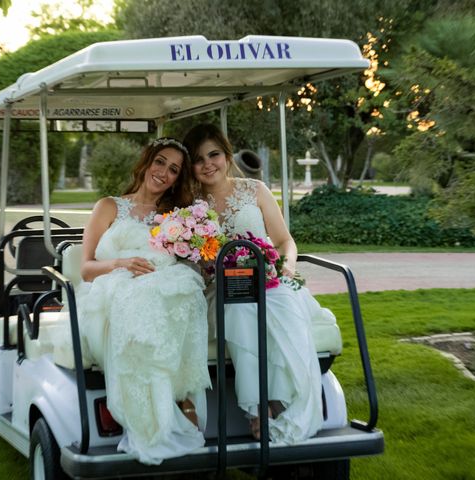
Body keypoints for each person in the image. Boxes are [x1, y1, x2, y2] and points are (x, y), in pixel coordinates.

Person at [183, 124, 324, 445]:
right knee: (240, 309)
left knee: (284, 307)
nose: (208, 164)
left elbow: (285, 240)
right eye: (198, 159)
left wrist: (286, 266)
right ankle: (259, 408)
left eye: (214, 154)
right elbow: (191, 258)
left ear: (227, 154)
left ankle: (284, 401)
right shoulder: (190, 207)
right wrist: (204, 266)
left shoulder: (255, 190)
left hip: (269, 280)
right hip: (221, 288)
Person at [75, 137, 211, 465]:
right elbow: (86, 269)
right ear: (147, 162)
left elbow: (190, 256)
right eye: (160, 162)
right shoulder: (109, 206)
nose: (164, 172)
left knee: (186, 289)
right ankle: (157, 417)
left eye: (174, 169)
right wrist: (120, 264)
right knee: (140, 299)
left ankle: (179, 397)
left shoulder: (176, 217)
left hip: (163, 282)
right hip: (113, 283)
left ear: (178, 178)